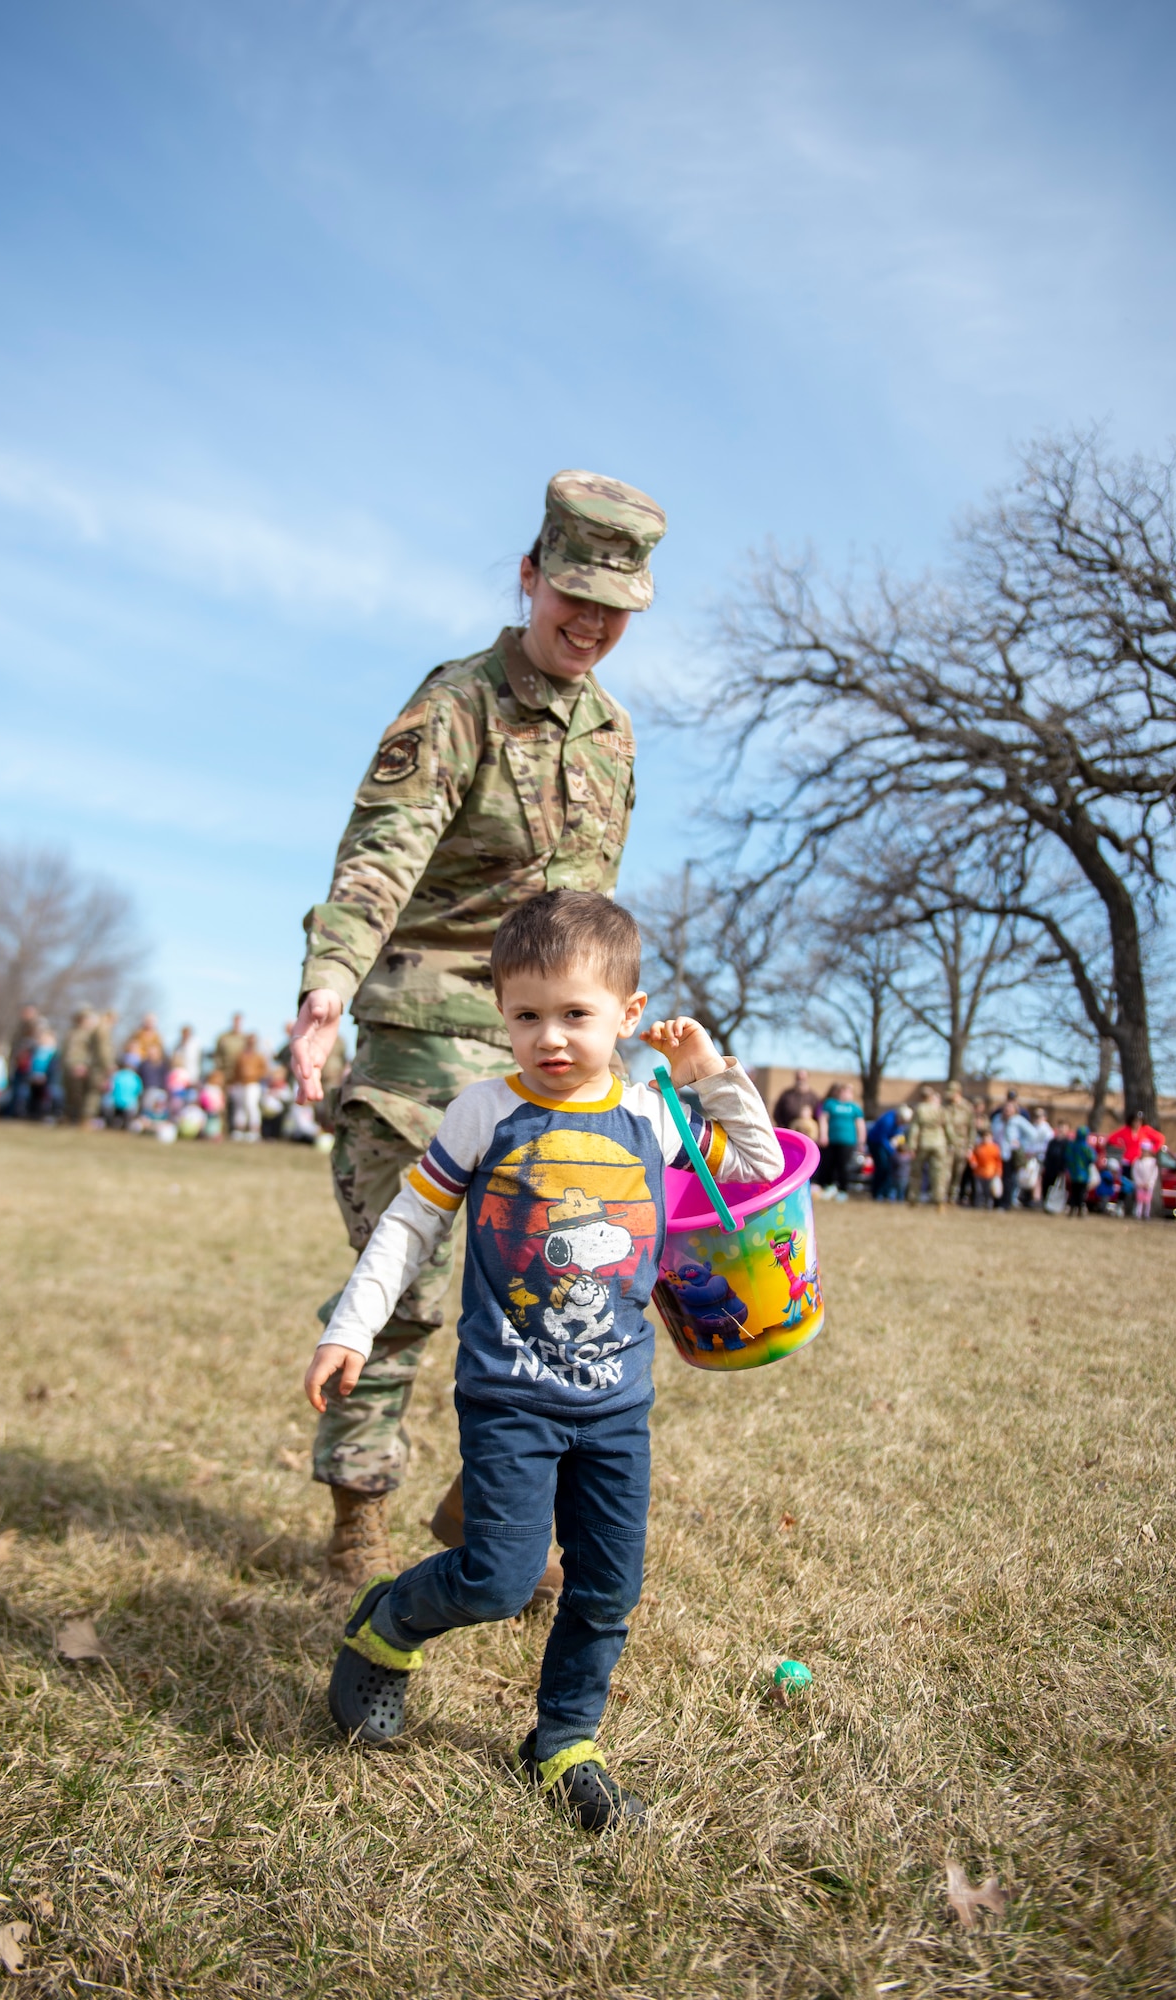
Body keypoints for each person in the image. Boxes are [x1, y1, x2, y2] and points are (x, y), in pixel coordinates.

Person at [305, 891, 781, 1826]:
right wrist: (350, 1328)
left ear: (629, 1017)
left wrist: (710, 1073)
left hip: (614, 1403)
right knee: (499, 1578)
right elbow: (408, 1224)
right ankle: (388, 1623)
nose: (550, 1038)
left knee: (608, 1588)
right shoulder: (483, 1111)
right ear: (500, 1012)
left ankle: (562, 1743)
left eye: (576, 1014)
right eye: (526, 1015)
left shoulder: (653, 1113)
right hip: (508, 1396)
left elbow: (759, 1169)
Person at [287, 468, 667, 1593]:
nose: (589, 624)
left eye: (615, 609)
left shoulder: (614, 735)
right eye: (572, 595)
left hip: (550, 1043)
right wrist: (326, 980)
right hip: (424, 1027)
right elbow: (381, 848)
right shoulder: (458, 702)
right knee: (401, 1284)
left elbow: (589, 914)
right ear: (528, 574)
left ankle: (483, 1504)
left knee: (569, 1281)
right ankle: (360, 1503)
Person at [991, 1093, 1038, 1211]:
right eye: (1005, 1108)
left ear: (1015, 1110)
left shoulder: (1018, 1121)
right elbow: (991, 1133)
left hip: (1009, 1154)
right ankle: (995, 1201)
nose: (1007, 1110)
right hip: (996, 1153)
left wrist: (1021, 1143)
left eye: (1010, 1108)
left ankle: (1005, 1203)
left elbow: (1033, 1134)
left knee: (1007, 1179)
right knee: (996, 1177)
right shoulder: (997, 1120)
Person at [817, 1083, 864, 1199]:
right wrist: (823, 1135)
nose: (846, 1094)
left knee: (843, 1166)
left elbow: (860, 1125)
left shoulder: (855, 1107)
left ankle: (843, 1190)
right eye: (844, 1091)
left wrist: (861, 1141)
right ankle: (828, 1187)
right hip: (831, 1141)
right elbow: (823, 1120)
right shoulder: (830, 1104)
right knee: (828, 1164)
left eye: (849, 1091)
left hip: (847, 1141)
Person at [907, 1086, 949, 1206]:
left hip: (923, 1143)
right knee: (938, 1173)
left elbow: (915, 1129)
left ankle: (913, 1198)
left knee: (916, 1172)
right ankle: (939, 1200)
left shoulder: (919, 1109)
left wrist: (912, 1146)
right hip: (939, 1143)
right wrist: (951, 1143)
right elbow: (947, 1128)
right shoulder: (940, 1109)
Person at [60, 1010, 97, 1126]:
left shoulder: (91, 1034)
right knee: (68, 1093)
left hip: (81, 1067)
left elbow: (93, 1052)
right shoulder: (71, 1032)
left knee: (80, 1094)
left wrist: (84, 1065)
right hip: (68, 1066)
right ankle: (68, 1116)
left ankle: (83, 1119)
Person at [866, 1102, 909, 1201]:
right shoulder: (887, 1121)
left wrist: (899, 1142)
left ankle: (885, 1193)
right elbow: (882, 1138)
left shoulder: (898, 1121)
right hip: (876, 1143)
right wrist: (891, 1150)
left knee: (889, 1169)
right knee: (882, 1167)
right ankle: (877, 1193)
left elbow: (899, 1133)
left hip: (886, 1144)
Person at [230, 1033, 268, 1141]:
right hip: (241, 1084)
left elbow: (264, 1071)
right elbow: (236, 1070)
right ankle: (239, 1129)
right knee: (240, 1107)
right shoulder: (241, 1055)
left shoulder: (259, 1056)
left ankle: (254, 1130)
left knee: (252, 1106)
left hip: (253, 1084)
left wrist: (253, 1074)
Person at [943, 1086, 976, 1203]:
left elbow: (972, 1129)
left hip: (962, 1145)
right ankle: (943, 1196)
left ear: (958, 1093)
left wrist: (970, 1147)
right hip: (948, 1144)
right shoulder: (946, 1107)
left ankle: (953, 1197)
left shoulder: (967, 1108)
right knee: (946, 1171)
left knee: (958, 1172)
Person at [773, 1068, 821, 1133]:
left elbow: (818, 1116)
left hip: (808, 1133)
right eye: (798, 1078)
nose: (800, 1080)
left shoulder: (813, 1097)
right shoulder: (786, 1095)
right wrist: (783, 1126)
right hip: (789, 1131)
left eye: (803, 1078)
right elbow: (777, 1113)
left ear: (807, 1078)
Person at [1065, 1126, 1095, 1216]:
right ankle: (1080, 1209)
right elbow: (1092, 1158)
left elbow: (1067, 1158)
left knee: (1074, 1191)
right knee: (1081, 1192)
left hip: (1073, 1174)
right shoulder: (1086, 1147)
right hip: (1083, 1174)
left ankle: (1072, 1209)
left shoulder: (1072, 1146)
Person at [969, 1129, 1002, 1209]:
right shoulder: (979, 1147)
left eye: (988, 1137)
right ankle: (978, 1203)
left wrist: (998, 1171)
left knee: (988, 1190)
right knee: (978, 1190)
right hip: (978, 1173)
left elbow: (998, 1161)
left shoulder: (995, 1148)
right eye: (984, 1137)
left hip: (990, 1173)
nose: (986, 1139)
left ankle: (988, 1204)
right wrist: (972, 1161)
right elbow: (973, 1156)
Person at [1131, 1141, 1158, 1221]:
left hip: (1149, 1184)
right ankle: (1138, 1213)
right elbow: (1135, 1172)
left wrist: (1149, 1183)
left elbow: (1154, 1173)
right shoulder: (1138, 1161)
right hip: (1140, 1184)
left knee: (1147, 1200)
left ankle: (1146, 1214)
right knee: (1139, 1199)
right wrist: (1139, 1182)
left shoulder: (1153, 1162)